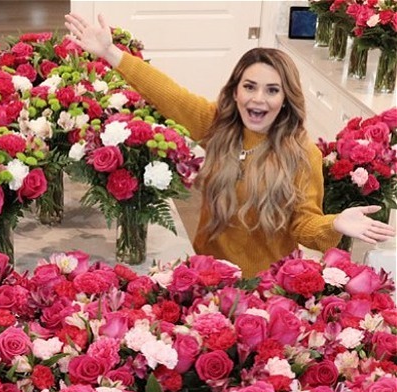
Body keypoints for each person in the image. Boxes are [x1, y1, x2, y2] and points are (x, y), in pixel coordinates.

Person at [65, 13, 396, 277]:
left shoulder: (301, 153)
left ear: (286, 99)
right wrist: (111, 53)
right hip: (207, 272)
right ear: (235, 91)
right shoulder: (218, 127)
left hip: (266, 284)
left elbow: (304, 225)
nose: (258, 98)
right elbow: (170, 94)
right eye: (249, 86)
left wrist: (334, 222)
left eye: (272, 90)